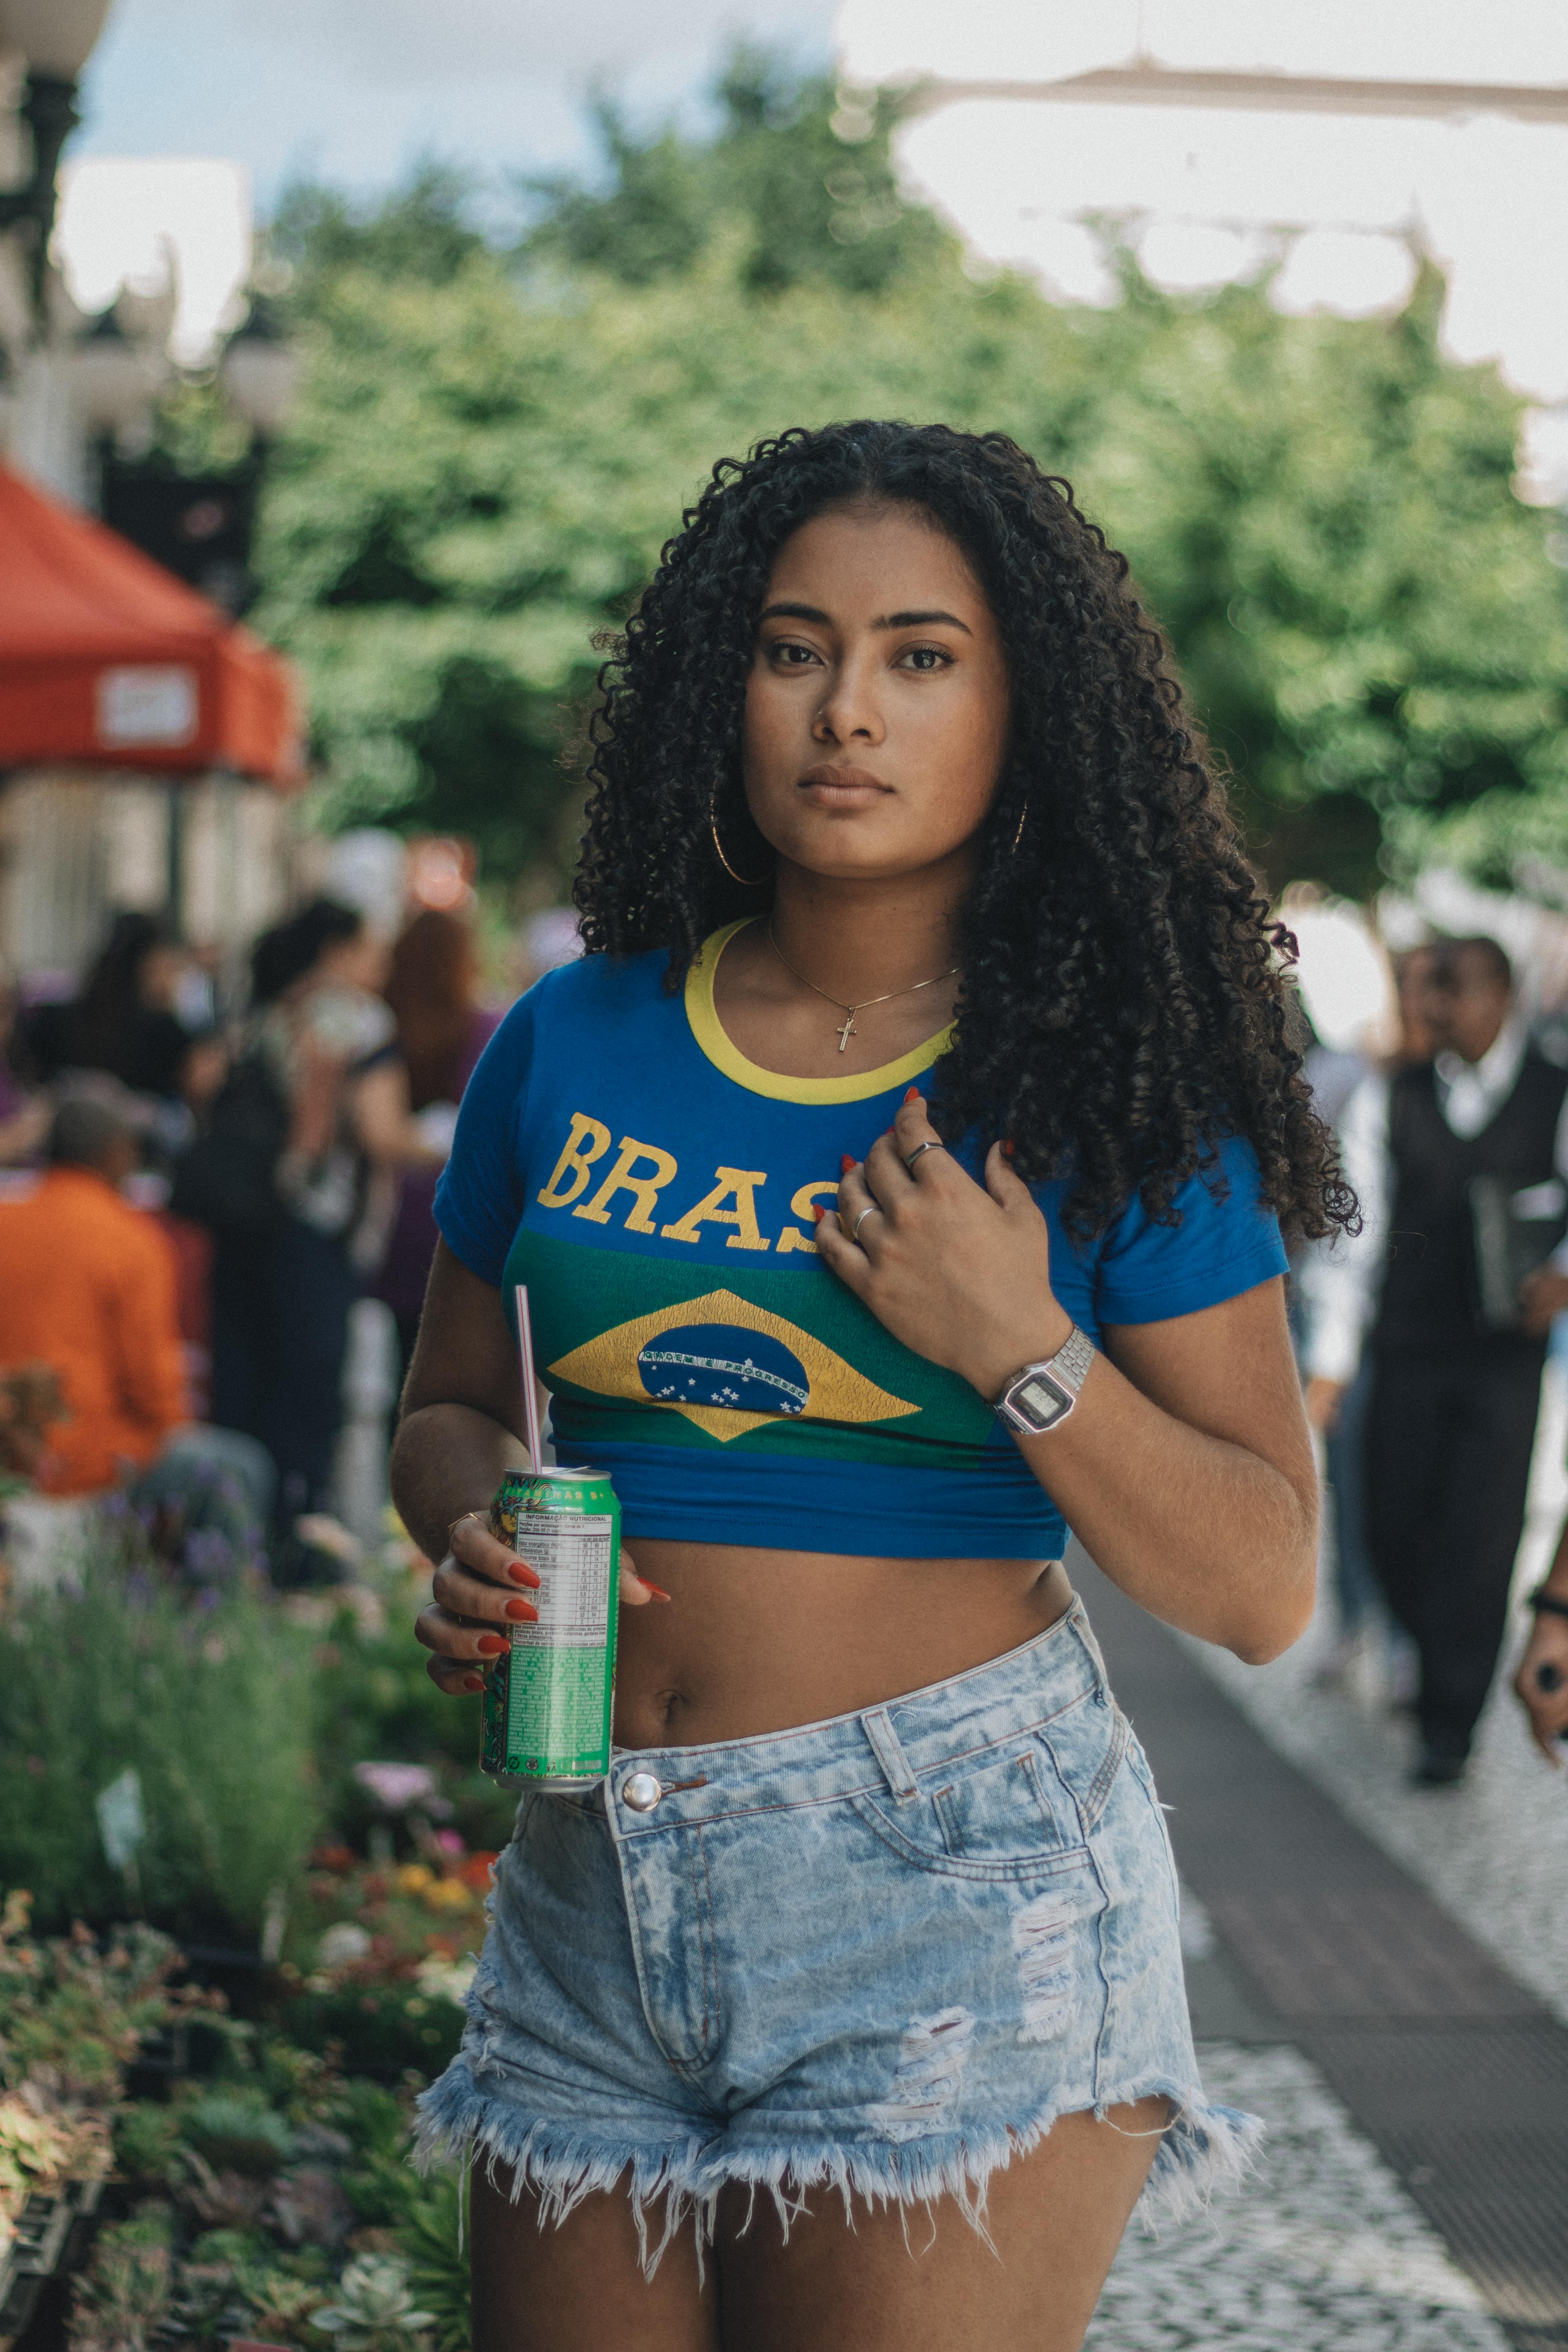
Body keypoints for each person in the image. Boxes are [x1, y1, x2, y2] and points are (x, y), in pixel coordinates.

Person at [392, 422, 1340, 2352]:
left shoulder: (1104, 1084)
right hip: (589, 1882)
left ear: (1024, 712)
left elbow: (1259, 1581)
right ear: (715, 688)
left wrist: (1018, 1342)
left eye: (919, 656)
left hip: (947, 1890)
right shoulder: (569, 1035)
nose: (845, 711)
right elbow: (442, 1405)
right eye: (789, 647)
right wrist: (471, 1522)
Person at [1306, 935, 1568, 1786]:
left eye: (1452, 992)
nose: (1434, 1010)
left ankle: (1447, 1721)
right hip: (1408, 1347)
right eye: (1431, 993)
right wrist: (1331, 1361)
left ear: (1500, 996)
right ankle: (1424, 1649)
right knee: (1389, 1520)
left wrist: (1558, 1274)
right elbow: (1354, 1238)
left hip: (1502, 1360)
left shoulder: (1554, 1092)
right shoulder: (1391, 1096)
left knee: (1482, 1535)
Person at [200, 898, 442, 1545]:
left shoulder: (263, 1012)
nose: (383, 963)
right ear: (338, 950)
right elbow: (382, 1133)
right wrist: (455, 1140)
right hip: (313, 1225)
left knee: (244, 1387)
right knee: (306, 1396)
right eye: (372, 948)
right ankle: (298, 1547)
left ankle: (230, 1540)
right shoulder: (357, 1018)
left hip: (241, 1225)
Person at [0, 1091, 186, 1492]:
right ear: (117, 1153)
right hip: (93, 1460)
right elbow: (155, 1393)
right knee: (239, 1467)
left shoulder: (5, 1222)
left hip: (9, 1448)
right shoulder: (135, 1242)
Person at [376, 909, 502, 1383]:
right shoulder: (486, 1030)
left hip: (394, 1217)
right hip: (459, 1219)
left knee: (400, 1370)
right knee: (458, 1376)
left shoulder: (382, 1025)